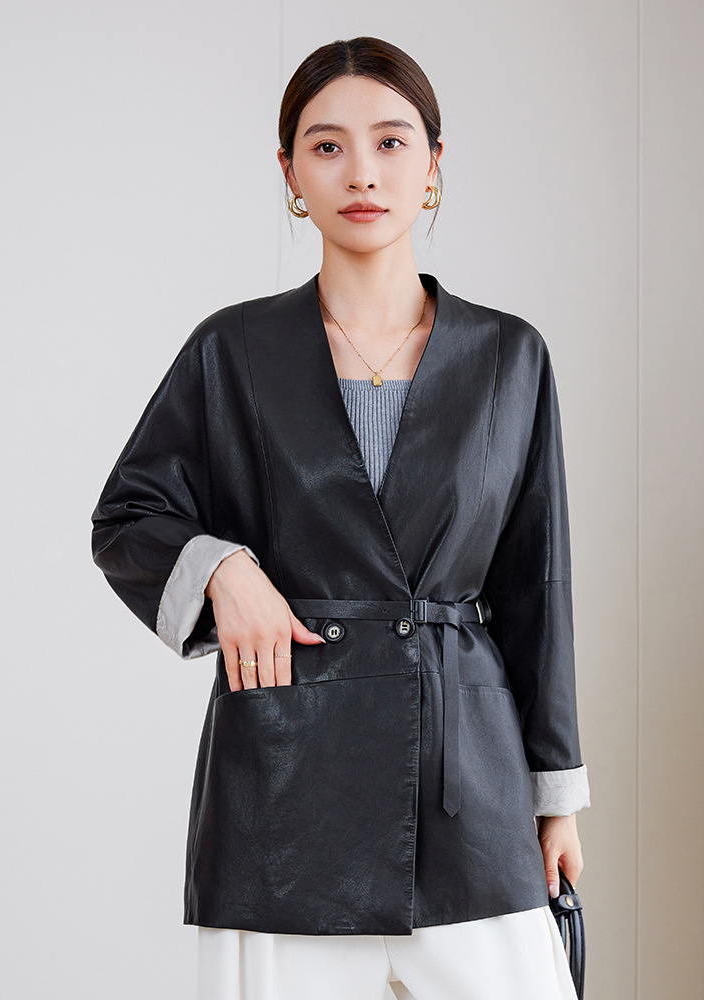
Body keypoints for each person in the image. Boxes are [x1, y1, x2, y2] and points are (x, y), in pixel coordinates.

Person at [91, 36, 590, 1000]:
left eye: (392, 142)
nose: (362, 172)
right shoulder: (232, 351)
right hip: (285, 781)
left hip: (468, 778)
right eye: (327, 147)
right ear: (289, 173)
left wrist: (555, 795)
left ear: (434, 164)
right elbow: (126, 516)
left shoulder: (510, 357)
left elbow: (540, 584)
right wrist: (223, 568)